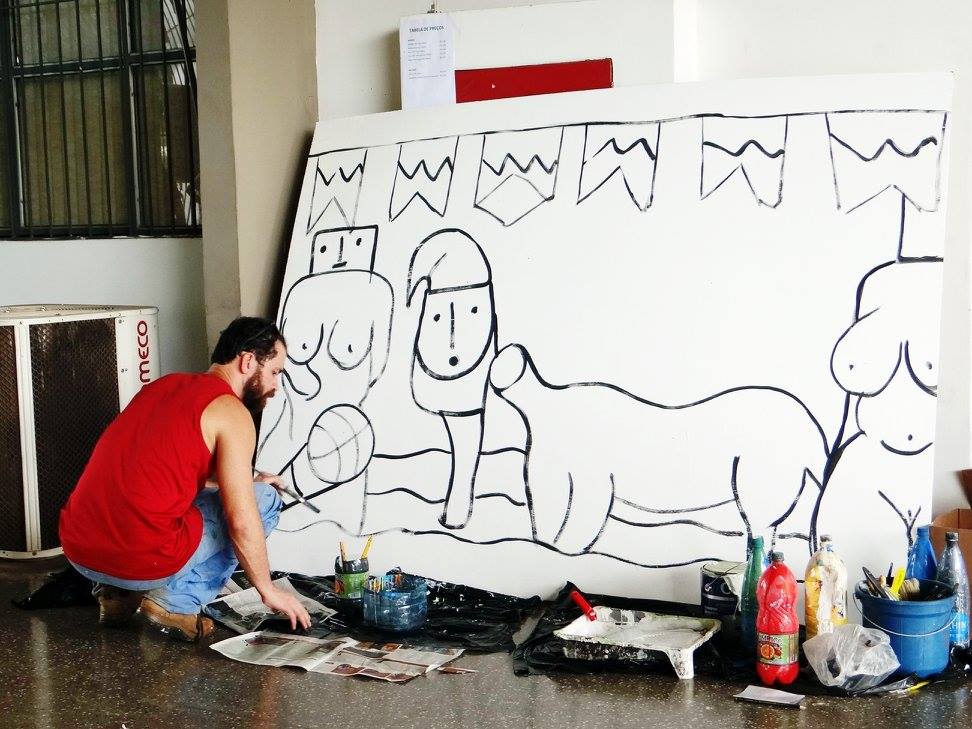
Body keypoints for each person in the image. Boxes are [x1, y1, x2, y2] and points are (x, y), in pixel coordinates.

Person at [59, 316, 312, 641]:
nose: (276, 387)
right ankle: (175, 603)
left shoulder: (163, 386)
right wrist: (268, 590)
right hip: (138, 559)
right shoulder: (232, 411)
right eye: (275, 372)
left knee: (229, 493)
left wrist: (249, 479)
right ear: (248, 361)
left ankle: (117, 596)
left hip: (80, 550)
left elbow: (165, 476)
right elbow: (241, 521)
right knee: (265, 500)